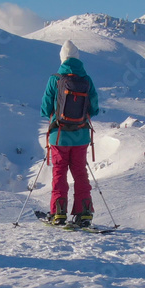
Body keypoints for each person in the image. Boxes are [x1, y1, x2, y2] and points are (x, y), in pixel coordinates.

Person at [41, 40, 99, 226]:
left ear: (62, 58)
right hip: (81, 136)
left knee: (59, 173)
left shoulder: (55, 79)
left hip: (59, 136)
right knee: (80, 173)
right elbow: (95, 108)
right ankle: (84, 213)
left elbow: (45, 108)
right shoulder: (86, 80)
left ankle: (58, 212)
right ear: (77, 57)